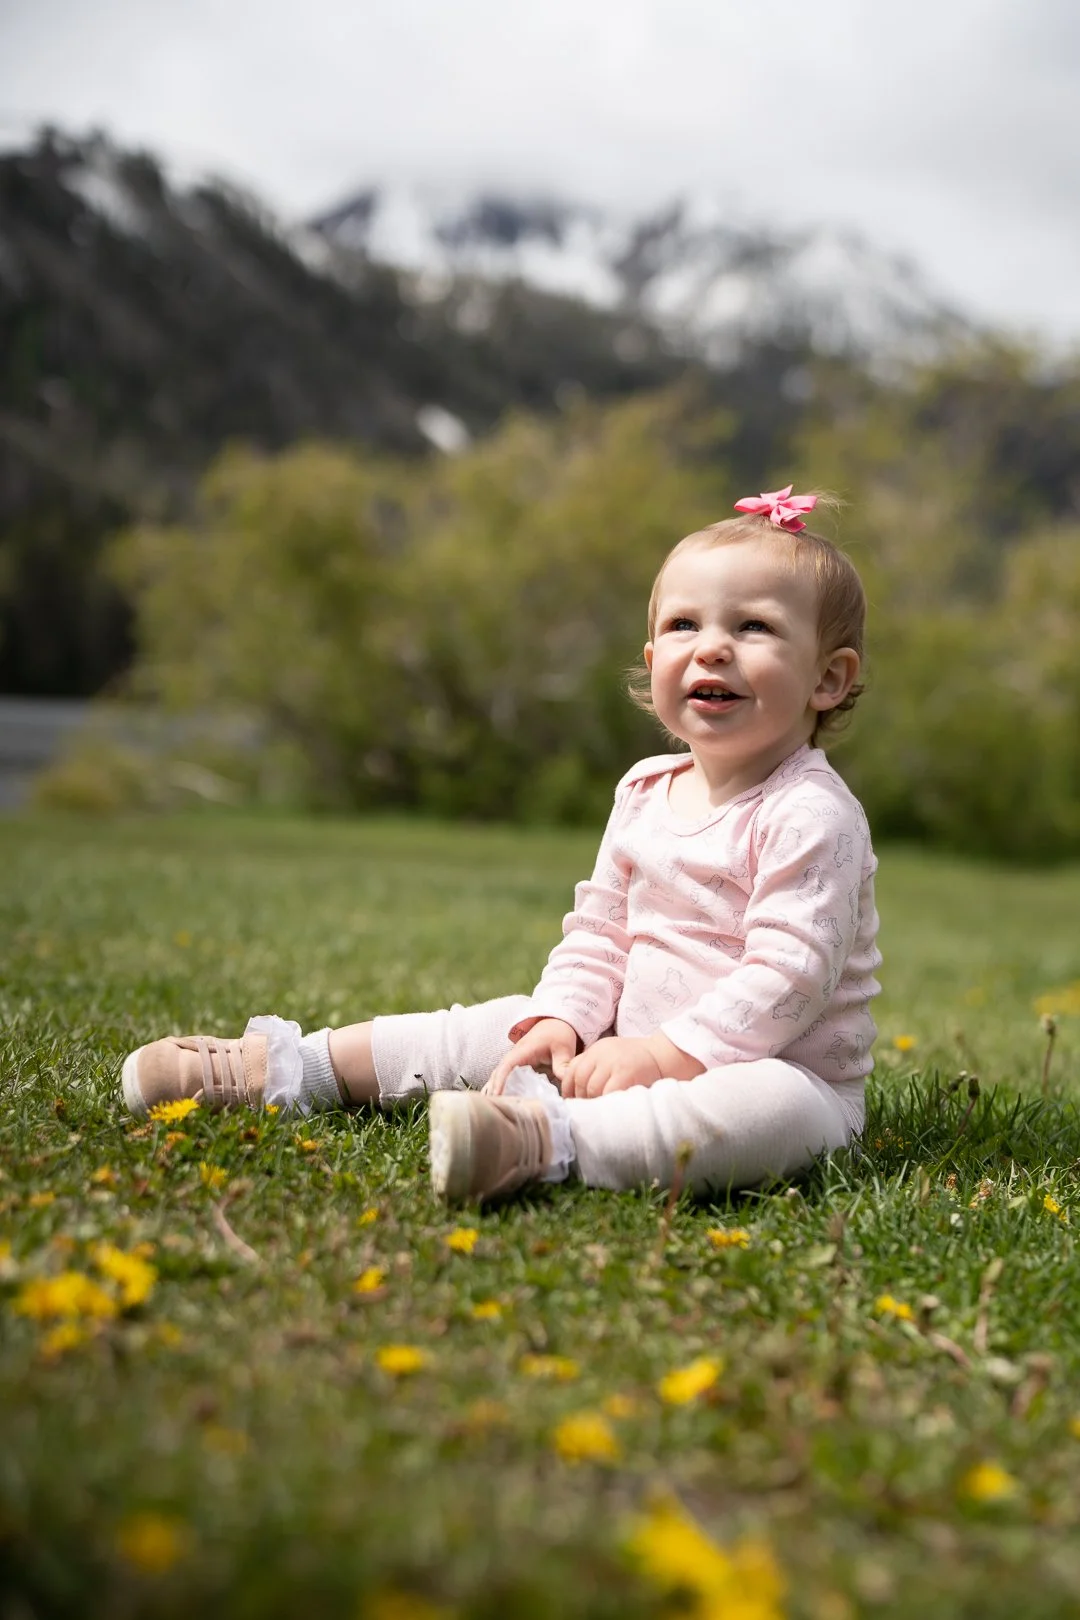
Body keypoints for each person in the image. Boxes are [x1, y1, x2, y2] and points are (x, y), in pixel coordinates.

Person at [121, 484, 881, 1207]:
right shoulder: (645, 790)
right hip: (622, 1043)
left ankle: (540, 1140)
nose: (711, 648)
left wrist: (662, 1057)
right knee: (496, 1025)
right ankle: (294, 1069)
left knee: (765, 1107)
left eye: (753, 628)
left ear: (828, 679)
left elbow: (789, 977)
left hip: (779, 1069)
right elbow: (600, 934)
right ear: (653, 663)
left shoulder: (810, 812)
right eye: (685, 625)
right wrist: (564, 1020)